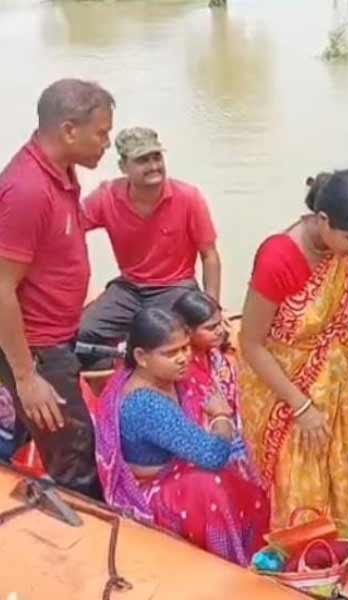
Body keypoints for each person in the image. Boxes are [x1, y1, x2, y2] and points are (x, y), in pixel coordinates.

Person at [238, 169, 348, 529]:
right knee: (301, 480)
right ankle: (302, 552)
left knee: (345, 466)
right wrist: (301, 405)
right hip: (283, 383)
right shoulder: (279, 258)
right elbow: (251, 343)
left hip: (336, 373)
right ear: (323, 220)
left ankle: (342, 539)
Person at [0, 79, 115, 499]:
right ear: (69, 130)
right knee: (77, 461)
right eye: (101, 133)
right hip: (38, 351)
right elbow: (2, 288)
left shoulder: (61, 173)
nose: (107, 143)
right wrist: (27, 378)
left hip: (59, 339)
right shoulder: (27, 189)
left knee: (35, 441)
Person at [94, 308, 269, 565]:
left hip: (177, 467)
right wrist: (221, 416)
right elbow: (213, 455)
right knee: (213, 485)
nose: (183, 358)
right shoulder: (145, 404)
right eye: (170, 353)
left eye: (185, 348)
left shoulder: (166, 376)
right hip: (156, 491)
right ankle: (231, 563)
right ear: (141, 356)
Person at [77, 127, 221, 368]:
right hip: (129, 287)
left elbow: (209, 255)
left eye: (157, 158)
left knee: (166, 339)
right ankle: (117, 376)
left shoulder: (188, 197)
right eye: (143, 160)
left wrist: (211, 309)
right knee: (83, 334)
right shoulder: (106, 196)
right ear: (123, 167)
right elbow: (67, 230)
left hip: (176, 286)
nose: (154, 166)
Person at [171, 290, 257, 480]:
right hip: (205, 451)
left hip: (237, 439)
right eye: (210, 327)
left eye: (219, 323)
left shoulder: (220, 355)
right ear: (187, 331)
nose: (219, 330)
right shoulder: (179, 368)